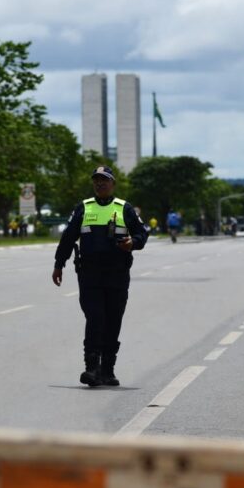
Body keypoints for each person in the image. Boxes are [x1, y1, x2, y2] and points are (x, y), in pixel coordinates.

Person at [52, 165, 148, 387]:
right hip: (90, 274)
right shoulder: (83, 208)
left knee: (113, 320)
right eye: (96, 180)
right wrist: (59, 264)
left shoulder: (125, 208)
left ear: (113, 184)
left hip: (117, 274)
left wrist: (133, 243)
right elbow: (68, 238)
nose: (100, 183)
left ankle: (108, 369)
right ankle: (91, 368)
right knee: (95, 318)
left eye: (104, 180)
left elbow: (142, 233)